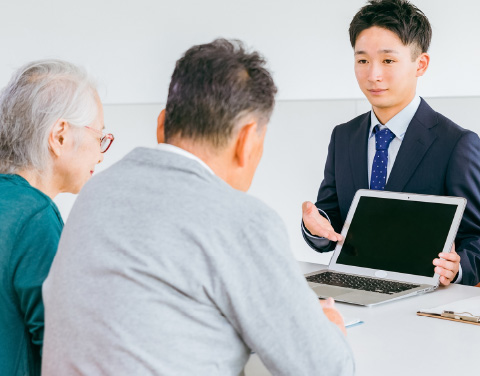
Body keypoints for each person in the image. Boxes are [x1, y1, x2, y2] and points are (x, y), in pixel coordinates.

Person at [42, 39, 355, 375]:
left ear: (162, 125)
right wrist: (329, 325)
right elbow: (325, 368)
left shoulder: (97, 192)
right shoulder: (242, 220)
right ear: (248, 140)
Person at [301, 0, 480, 286]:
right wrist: (315, 227)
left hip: (420, 298)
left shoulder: (455, 143)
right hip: (350, 287)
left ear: (421, 64)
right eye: (362, 60)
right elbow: (331, 223)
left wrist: (457, 270)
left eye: (388, 60)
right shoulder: (344, 136)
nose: (373, 75)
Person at [0, 60, 110, 376]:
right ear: (60, 136)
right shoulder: (34, 217)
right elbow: (64, 354)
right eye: (99, 135)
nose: (100, 154)